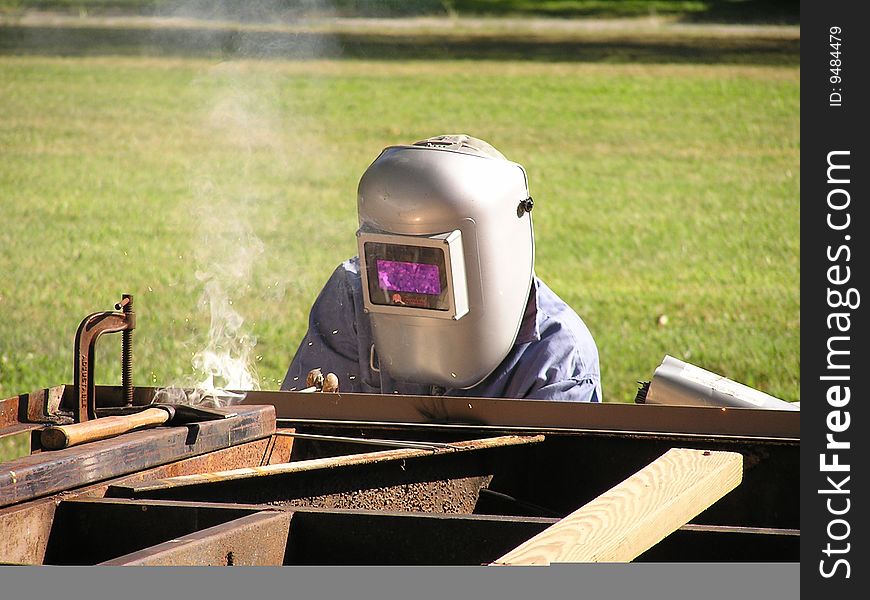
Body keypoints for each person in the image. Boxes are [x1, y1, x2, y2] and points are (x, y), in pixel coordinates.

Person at [282, 135, 601, 402]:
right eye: (395, 265)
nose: (409, 290)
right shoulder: (352, 297)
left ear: (489, 252)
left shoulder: (555, 357)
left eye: (429, 268)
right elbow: (308, 431)